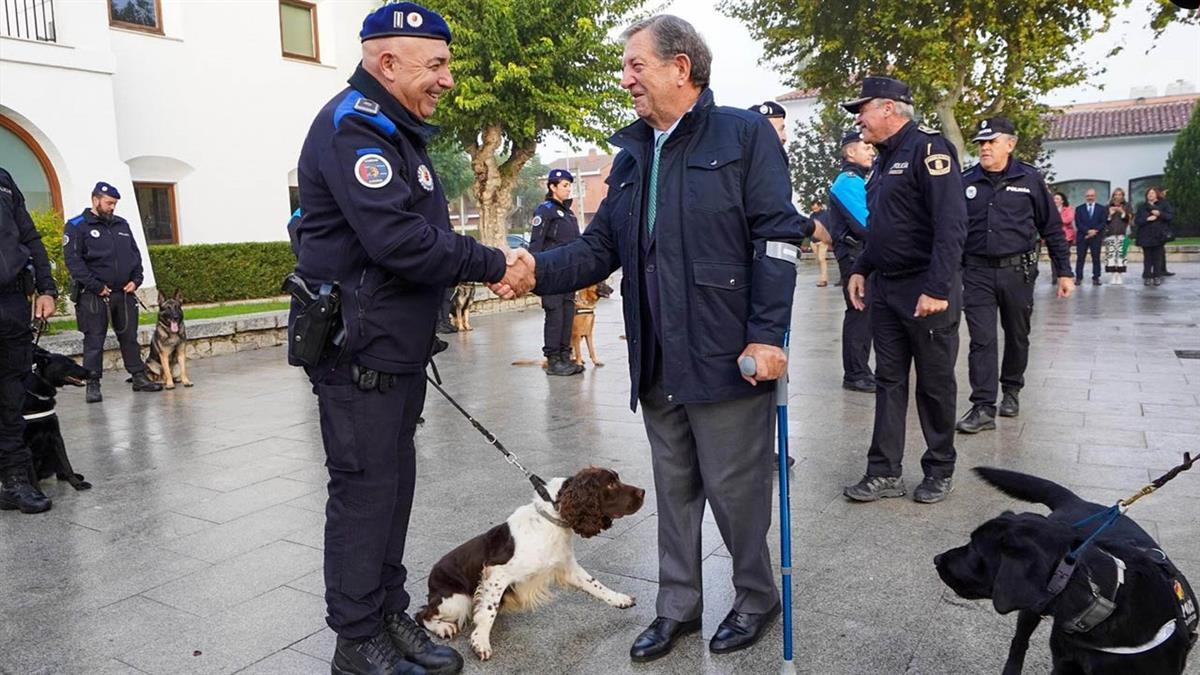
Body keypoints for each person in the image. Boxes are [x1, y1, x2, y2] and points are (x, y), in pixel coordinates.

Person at [498, 15, 808, 662]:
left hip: (729, 354)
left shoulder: (745, 135)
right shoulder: (634, 152)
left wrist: (767, 333)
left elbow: (776, 236)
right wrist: (533, 270)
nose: (625, 78)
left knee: (735, 491)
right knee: (674, 492)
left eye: (635, 65)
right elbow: (600, 247)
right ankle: (678, 607)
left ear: (680, 68)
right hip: (657, 355)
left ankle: (756, 595)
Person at [289, 4, 525, 673]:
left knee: (392, 487)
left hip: (390, 350)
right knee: (365, 491)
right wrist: (496, 262)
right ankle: (356, 639)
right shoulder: (353, 128)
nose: (447, 79)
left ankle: (387, 612)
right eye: (438, 64)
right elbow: (398, 241)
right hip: (357, 354)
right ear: (386, 63)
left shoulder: (395, 130)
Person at [841, 76, 967, 505]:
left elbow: (951, 223)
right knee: (889, 381)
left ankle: (939, 468)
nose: (859, 118)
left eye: (863, 109)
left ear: (889, 108)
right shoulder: (881, 160)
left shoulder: (930, 150)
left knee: (934, 384)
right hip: (887, 289)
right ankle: (883, 471)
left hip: (925, 289)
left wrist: (937, 287)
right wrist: (861, 267)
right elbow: (881, 226)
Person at [954, 118, 1074, 435]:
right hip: (976, 271)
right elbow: (952, 229)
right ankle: (982, 406)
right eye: (981, 143)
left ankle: (1011, 390)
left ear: (1011, 143)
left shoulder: (1029, 179)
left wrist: (1064, 271)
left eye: (992, 141)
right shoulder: (966, 180)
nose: (985, 147)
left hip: (1017, 271)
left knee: (1017, 335)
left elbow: (1051, 228)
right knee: (982, 340)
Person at [63, 182, 162, 403]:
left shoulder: (121, 224)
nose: (112, 207)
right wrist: (96, 286)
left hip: (124, 294)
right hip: (94, 296)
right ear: (95, 199)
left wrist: (136, 280)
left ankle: (138, 376)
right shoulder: (77, 226)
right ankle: (93, 383)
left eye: (114, 204)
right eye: (108, 203)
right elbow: (74, 262)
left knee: (129, 337)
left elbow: (135, 256)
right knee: (94, 341)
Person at [0, 167, 57, 514]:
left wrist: (47, 288)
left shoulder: (5, 179)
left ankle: (15, 480)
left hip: (10, 305)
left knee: (11, 398)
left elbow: (31, 238)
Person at [826, 130, 876, 392]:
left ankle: (861, 370)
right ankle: (855, 373)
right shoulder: (848, 181)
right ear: (850, 152)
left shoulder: (858, 179)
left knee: (864, 314)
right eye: (866, 147)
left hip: (859, 256)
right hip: (855, 258)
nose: (871, 151)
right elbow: (865, 224)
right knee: (859, 313)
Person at [528, 168, 584, 376]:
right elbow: (536, 244)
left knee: (568, 314)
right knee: (555, 316)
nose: (569, 189)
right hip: (551, 273)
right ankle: (553, 360)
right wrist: (537, 273)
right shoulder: (545, 210)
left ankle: (564, 356)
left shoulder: (569, 214)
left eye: (570, 185)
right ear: (552, 187)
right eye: (564, 185)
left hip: (568, 275)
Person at [1134, 187, 1173, 286]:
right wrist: (1147, 219)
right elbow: (1137, 221)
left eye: (1152, 193)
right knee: (1147, 258)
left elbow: (1170, 216)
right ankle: (1147, 276)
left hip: (1159, 235)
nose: (1150, 195)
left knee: (1157, 257)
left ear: (1156, 194)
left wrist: (1160, 214)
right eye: (1149, 193)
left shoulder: (1164, 204)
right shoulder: (1142, 206)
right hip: (1145, 235)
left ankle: (1157, 276)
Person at [1074, 188, 1105, 286]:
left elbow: (1103, 222)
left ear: (1095, 196)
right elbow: (1078, 223)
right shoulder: (1079, 208)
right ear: (1085, 197)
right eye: (1088, 196)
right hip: (1083, 237)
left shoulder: (1102, 208)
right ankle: (1078, 277)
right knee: (1080, 258)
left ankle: (1096, 277)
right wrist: (1087, 231)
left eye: (1092, 196)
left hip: (1096, 237)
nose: (1090, 198)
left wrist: (1094, 231)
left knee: (1096, 258)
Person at [1103, 188, 1132, 285]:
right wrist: (1110, 215)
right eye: (1116, 194)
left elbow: (1130, 219)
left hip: (1122, 234)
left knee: (1121, 254)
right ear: (1113, 196)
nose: (1117, 196)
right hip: (1110, 234)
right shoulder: (1107, 206)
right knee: (1110, 255)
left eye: (1120, 194)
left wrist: (1122, 212)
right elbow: (1104, 221)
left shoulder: (1127, 206)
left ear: (1123, 196)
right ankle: (1112, 275)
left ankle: (1119, 275)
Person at [809, 200, 831, 287]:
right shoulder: (812, 216)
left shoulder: (826, 215)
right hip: (813, 242)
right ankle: (822, 277)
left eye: (816, 207)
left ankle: (824, 280)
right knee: (818, 260)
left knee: (822, 259)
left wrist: (828, 239)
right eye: (813, 208)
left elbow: (829, 226)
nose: (814, 209)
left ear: (820, 206)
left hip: (823, 241)